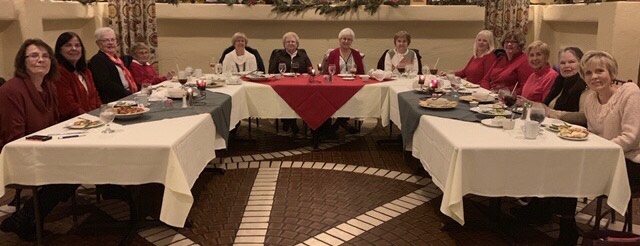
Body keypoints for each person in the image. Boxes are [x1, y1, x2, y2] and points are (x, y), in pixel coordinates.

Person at [0, 39, 79, 242]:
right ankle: (25, 217)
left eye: (45, 56)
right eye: (34, 55)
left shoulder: (48, 86)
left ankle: (22, 217)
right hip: (19, 153)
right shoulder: (11, 90)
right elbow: (14, 137)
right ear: (22, 61)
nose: (40, 60)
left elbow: (54, 123)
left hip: (45, 148)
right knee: (71, 170)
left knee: (84, 163)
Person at [268, 32, 313, 137]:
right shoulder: (278, 55)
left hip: (300, 87)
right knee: (285, 99)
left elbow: (310, 70)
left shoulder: (303, 55)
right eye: (288, 42)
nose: (291, 43)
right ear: (284, 44)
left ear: (297, 44)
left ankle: (289, 122)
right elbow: (271, 71)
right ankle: (291, 123)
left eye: (293, 41)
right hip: (283, 87)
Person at [53, 32, 102, 121]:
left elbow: (95, 95)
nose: (74, 48)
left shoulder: (85, 71)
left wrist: (102, 112)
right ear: (59, 50)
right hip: (74, 123)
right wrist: (92, 119)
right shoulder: (59, 73)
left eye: (77, 45)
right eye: (68, 45)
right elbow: (68, 106)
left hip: (92, 119)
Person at [89, 27, 137, 103]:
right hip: (115, 101)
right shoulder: (97, 60)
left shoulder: (117, 59)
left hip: (127, 96)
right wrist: (129, 94)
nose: (110, 43)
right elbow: (106, 84)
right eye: (106, 40)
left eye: (112, 40)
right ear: (98, 44)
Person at [479, 29, 534, 95]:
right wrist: (488, 92)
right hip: (490, 95)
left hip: (507, 99)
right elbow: (485, 80)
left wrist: (503, 93)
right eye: (507, 41)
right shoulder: (501, 59)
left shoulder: (524, 61)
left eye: (513, 42)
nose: (509, 44)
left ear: (520, 45)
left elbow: (525, 88)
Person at [544, 47, 588, 126]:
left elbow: (583, 117)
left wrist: (553, 113)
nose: (566, 65)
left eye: (571, 62)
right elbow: (546, 106)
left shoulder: (585, 84)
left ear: (581, 63)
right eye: (563, 63)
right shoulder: (559, 80)